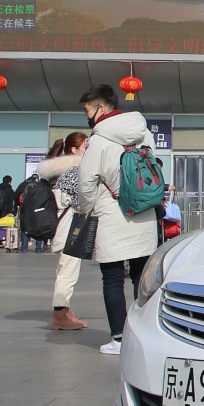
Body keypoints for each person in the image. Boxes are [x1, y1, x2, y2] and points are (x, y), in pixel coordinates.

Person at [78, 85, 160, 356]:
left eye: (87, 110)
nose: (86, 115)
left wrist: (87, 207)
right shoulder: (143, 133)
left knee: (112, 279)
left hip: (112, 214)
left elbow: (86, 183)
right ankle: (143, 334)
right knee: (140, 277)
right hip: (144, 213)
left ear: (100, 108)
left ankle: (118, 338)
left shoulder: (98, 141)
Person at [34, 133, 90, 331]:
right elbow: (80, 201)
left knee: (63, 270)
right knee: (68, 272)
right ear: (74, 149)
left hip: (59, 227)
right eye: (85, 145)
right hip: (68, 228)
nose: (88, 148)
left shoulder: (57, 171)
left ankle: (64, 310)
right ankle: (60, 314)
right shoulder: (74, 170)